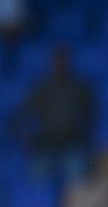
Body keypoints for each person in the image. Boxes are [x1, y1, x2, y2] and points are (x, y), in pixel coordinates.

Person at [13, 45, 94, 198]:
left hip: (71, 143)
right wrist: (27, 138)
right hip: (46, 144)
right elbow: (22, 114)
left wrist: (82, 133)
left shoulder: (78, 88)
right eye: (56, 62)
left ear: (68, 64)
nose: (59, 66)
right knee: (35, 183)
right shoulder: (43, 88)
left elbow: (90, 116)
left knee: (79, 181)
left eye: (62, 62)